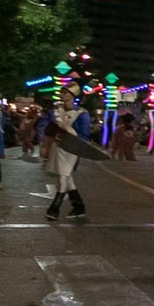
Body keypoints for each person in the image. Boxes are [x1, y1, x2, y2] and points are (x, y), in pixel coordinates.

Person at [42, 91, 94, 220]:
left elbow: (84, 135)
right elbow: (45, 127)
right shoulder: (56, 110)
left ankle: (54, 209)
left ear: (72, 95)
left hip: (71, 147)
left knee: (63, 176)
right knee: (67, 177)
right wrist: (45, 144)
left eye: (65, 93)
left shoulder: (82, 114)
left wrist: (71, 136)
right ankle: (78, 207)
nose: (62, 95)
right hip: (58, 146)